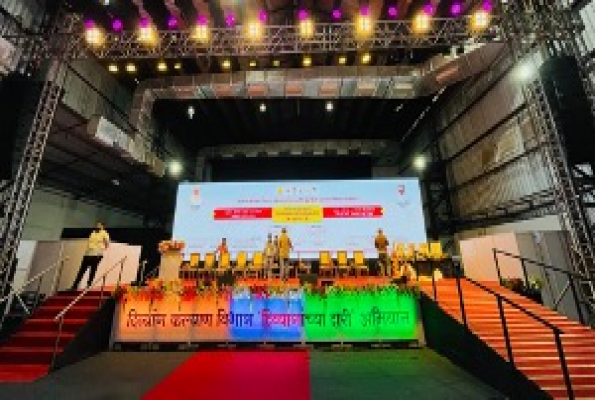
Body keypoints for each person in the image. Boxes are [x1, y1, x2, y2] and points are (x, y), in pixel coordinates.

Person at [71, 222, 110, 290]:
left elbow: (107, 244)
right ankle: (74, 286)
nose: (97, 226)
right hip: (88, 254)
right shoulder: (93, 232)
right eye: (97, 224)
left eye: (99, 225)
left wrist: (100, 250)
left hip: (97, 255)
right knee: (81, 270)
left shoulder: (104, 233)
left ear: (103, 226)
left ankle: (88, 285)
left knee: (92, 270)